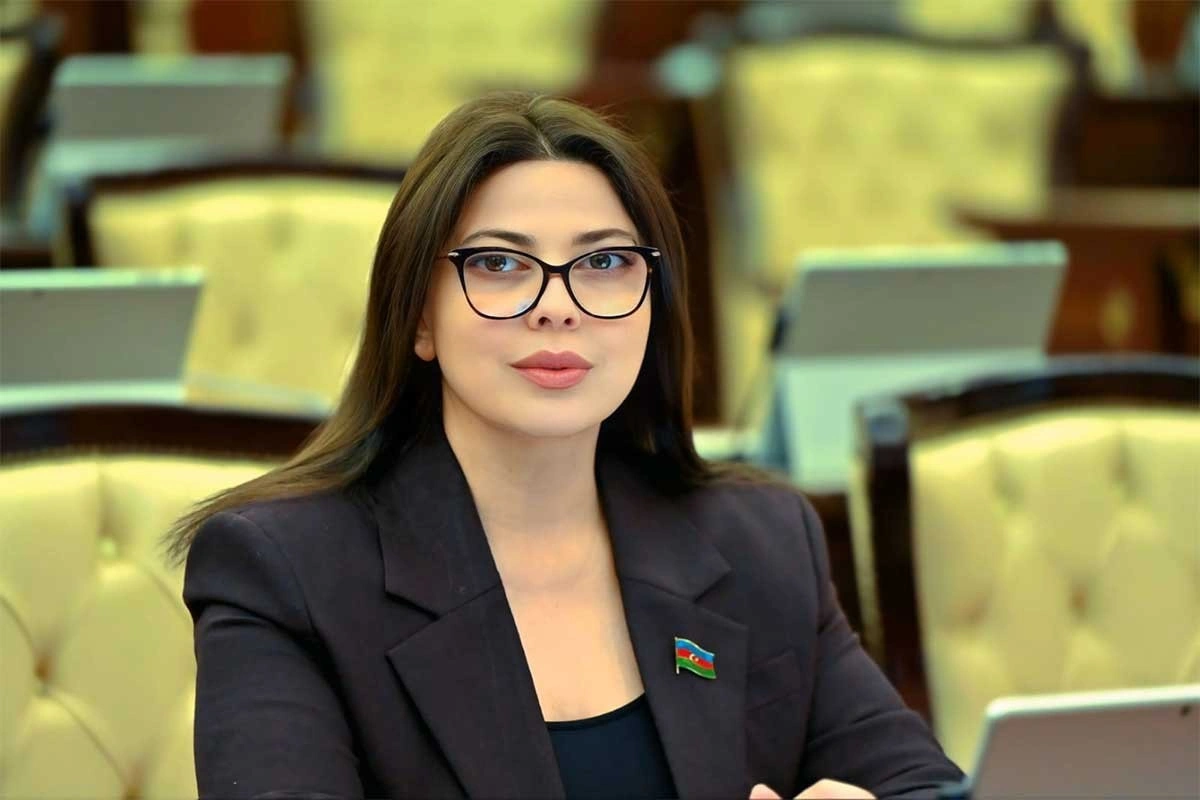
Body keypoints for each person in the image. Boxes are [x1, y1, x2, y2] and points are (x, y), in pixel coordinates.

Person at [168, 91, 963, 799]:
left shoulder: (761, 542)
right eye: (501, 263)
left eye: (605, 261)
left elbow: (921, 785)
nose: (558, 306)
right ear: (418, 317)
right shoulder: (285, 575)